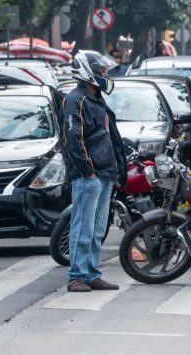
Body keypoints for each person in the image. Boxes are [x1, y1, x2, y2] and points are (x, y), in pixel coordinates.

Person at [61, 50, 127, 292]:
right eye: (101, 72)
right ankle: (76, 276)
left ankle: (91, 274)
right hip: (89, 176)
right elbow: (73, 141)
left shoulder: (97, 98)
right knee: (83, 227)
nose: (105, 75)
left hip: (105, 174)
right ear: (87, 72)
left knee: (98, 229)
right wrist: (88, 172)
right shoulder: (75, 100)